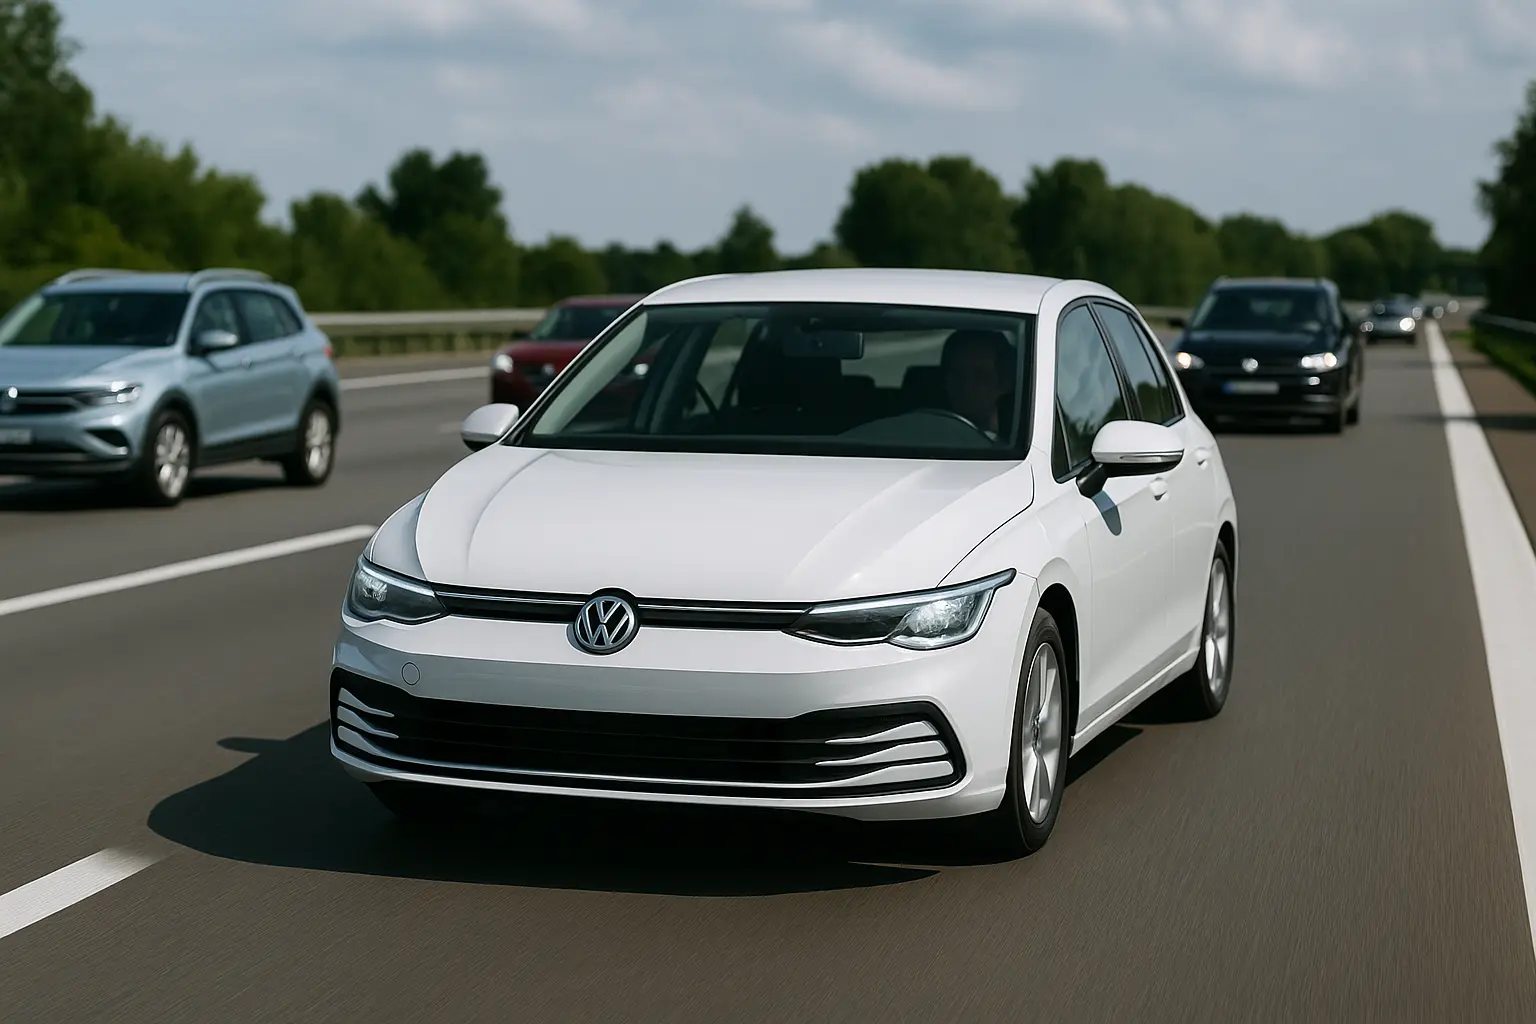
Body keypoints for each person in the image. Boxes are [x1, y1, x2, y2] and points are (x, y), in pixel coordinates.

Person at [940, 329, 1014, 437]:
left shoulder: (1022, 437)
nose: (966, 386)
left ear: (1005, 383)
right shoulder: (924, 431)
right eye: (957, 373)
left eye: (980, 376)